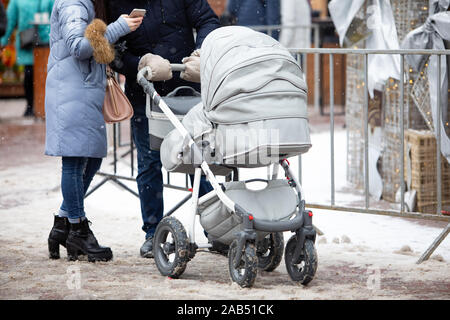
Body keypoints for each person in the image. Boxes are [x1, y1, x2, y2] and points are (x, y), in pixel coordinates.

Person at [108, 1, 220, 258]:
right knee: (149, 161)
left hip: (187, 87)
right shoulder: (116, 3)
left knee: (200, 157)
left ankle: (215, 228)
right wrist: (139, 63)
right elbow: (113, 52)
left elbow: (208, 21)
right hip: (144, 93)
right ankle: (153, 233)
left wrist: (201, 51)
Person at [45, 0, 143, 262]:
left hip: (81, 91)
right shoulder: (73, 3)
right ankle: (77, 228)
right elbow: (79, 47)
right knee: (75, 161)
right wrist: (118, 28)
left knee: (91, 157)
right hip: (72, 92)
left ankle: (62, 224)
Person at [0, 0, 54, 117]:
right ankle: (30, 105)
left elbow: (56, 19)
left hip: (46, 44)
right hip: (27, 43)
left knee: (45, 76)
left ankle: (44, 106)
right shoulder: (17, 1)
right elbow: (10, 21)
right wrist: (3, 41)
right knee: (29, 75)